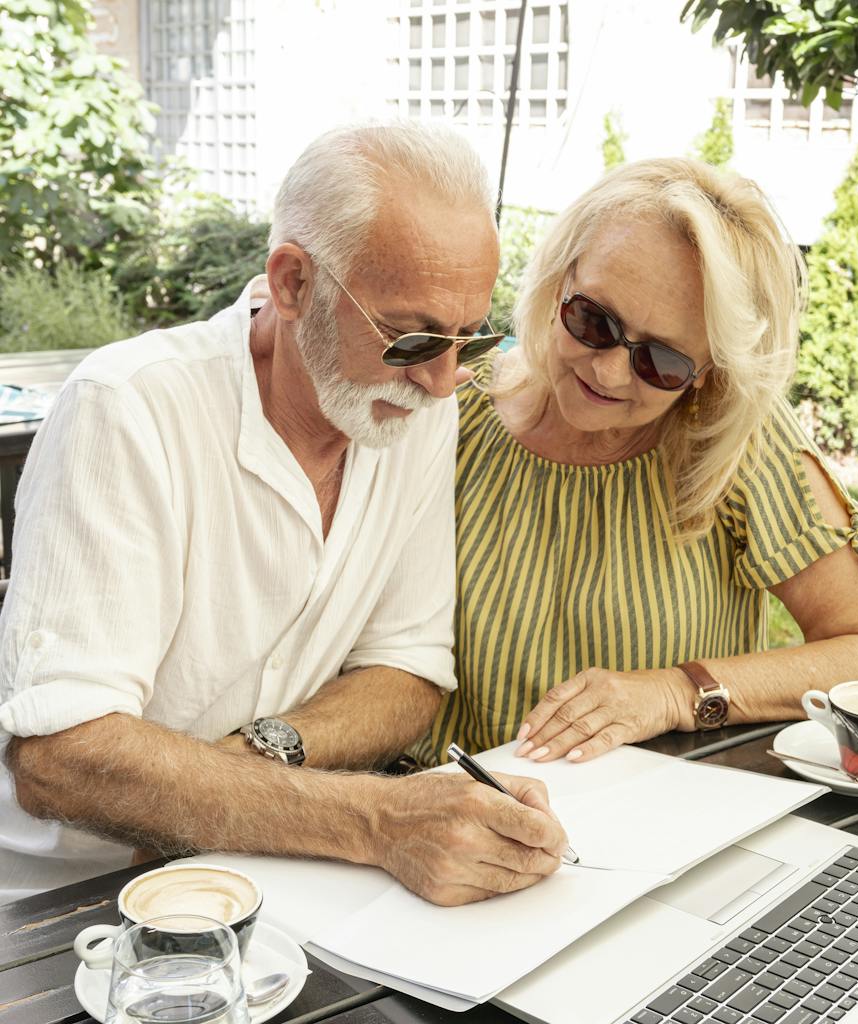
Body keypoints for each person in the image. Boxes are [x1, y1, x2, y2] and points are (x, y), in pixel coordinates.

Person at [0, 122, 568, 907]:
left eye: (468, 339)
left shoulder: (412, 407)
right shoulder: (128, 408)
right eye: (409, 340)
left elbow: (409, 671)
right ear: (294, 283)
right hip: (72, 903)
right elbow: (59, 753)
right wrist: (376, 822)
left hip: (274, 870)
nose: (442, 383)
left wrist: (252, 765)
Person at [416, 157, 858, 767]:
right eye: (593, 320)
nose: (605, 371)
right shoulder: (452, 409)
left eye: (661, 361)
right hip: (444, 811)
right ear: (561, 279)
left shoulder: (733, 435)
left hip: (657, 824)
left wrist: (676, 691)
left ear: (708, 372)